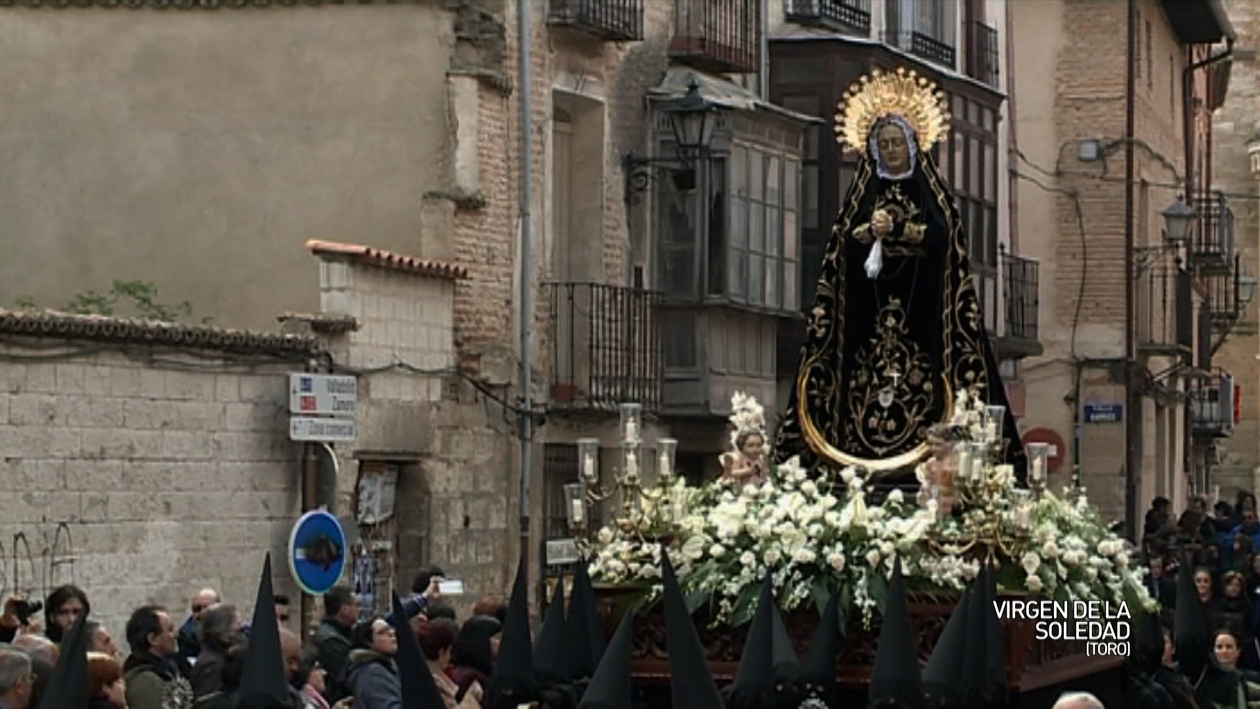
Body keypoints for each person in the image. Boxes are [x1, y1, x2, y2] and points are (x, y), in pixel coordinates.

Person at [774, 67, 1025, 481]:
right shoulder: (863, 195)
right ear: (873, 150)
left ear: (912, 146)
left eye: (897, 143)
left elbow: (946, 241)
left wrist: (903, 231)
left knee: (925, 386)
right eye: (883, 144)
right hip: (867, 322)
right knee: (863, 387)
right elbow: (840, 250)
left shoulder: (932, 196)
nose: (891, 151)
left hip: (923, 319)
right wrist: (865, 233)